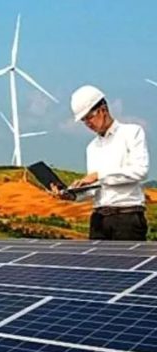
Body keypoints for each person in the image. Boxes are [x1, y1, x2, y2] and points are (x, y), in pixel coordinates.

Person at [51, 85, 150, 240]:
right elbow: (95, 189)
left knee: (129, 263)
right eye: (84, 120)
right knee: (97, 263)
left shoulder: (132, 132)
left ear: (103, 109)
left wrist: (99, 175)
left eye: (89, 117)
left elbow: (140, 171)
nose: (88, 124)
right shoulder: (92, 147)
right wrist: (71, 195)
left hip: (127, 217)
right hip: (98, 220)